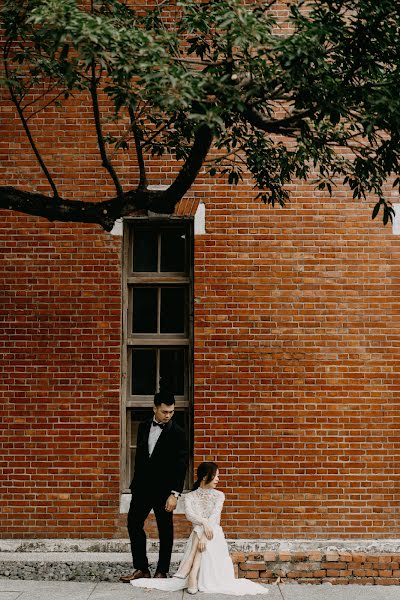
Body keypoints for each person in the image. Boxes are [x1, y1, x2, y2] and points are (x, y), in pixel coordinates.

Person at [130, 462, 268, 595]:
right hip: (199, 535)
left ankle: (192, 572)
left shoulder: (219, 495)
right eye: (216, 476)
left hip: (212, 536)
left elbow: (214, 518)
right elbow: (190, 515)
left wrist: (203, 534)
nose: (218, 480)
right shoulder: (189, 496)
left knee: (199, 530)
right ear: (204, 477)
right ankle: (193, 574)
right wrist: (204, 524)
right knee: (198, 529)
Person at [119, 390, 188, 583]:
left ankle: (162, 571)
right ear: (155, 408)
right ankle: (141, 568)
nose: (168, 415)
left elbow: (181, 466)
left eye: (171, 412)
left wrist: (175, 493)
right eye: (165, 412)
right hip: (142, 488)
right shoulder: (143, 426)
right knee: (133, 524)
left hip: (165, 491)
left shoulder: (178, 433)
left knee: (165, 530)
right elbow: (141, 457)